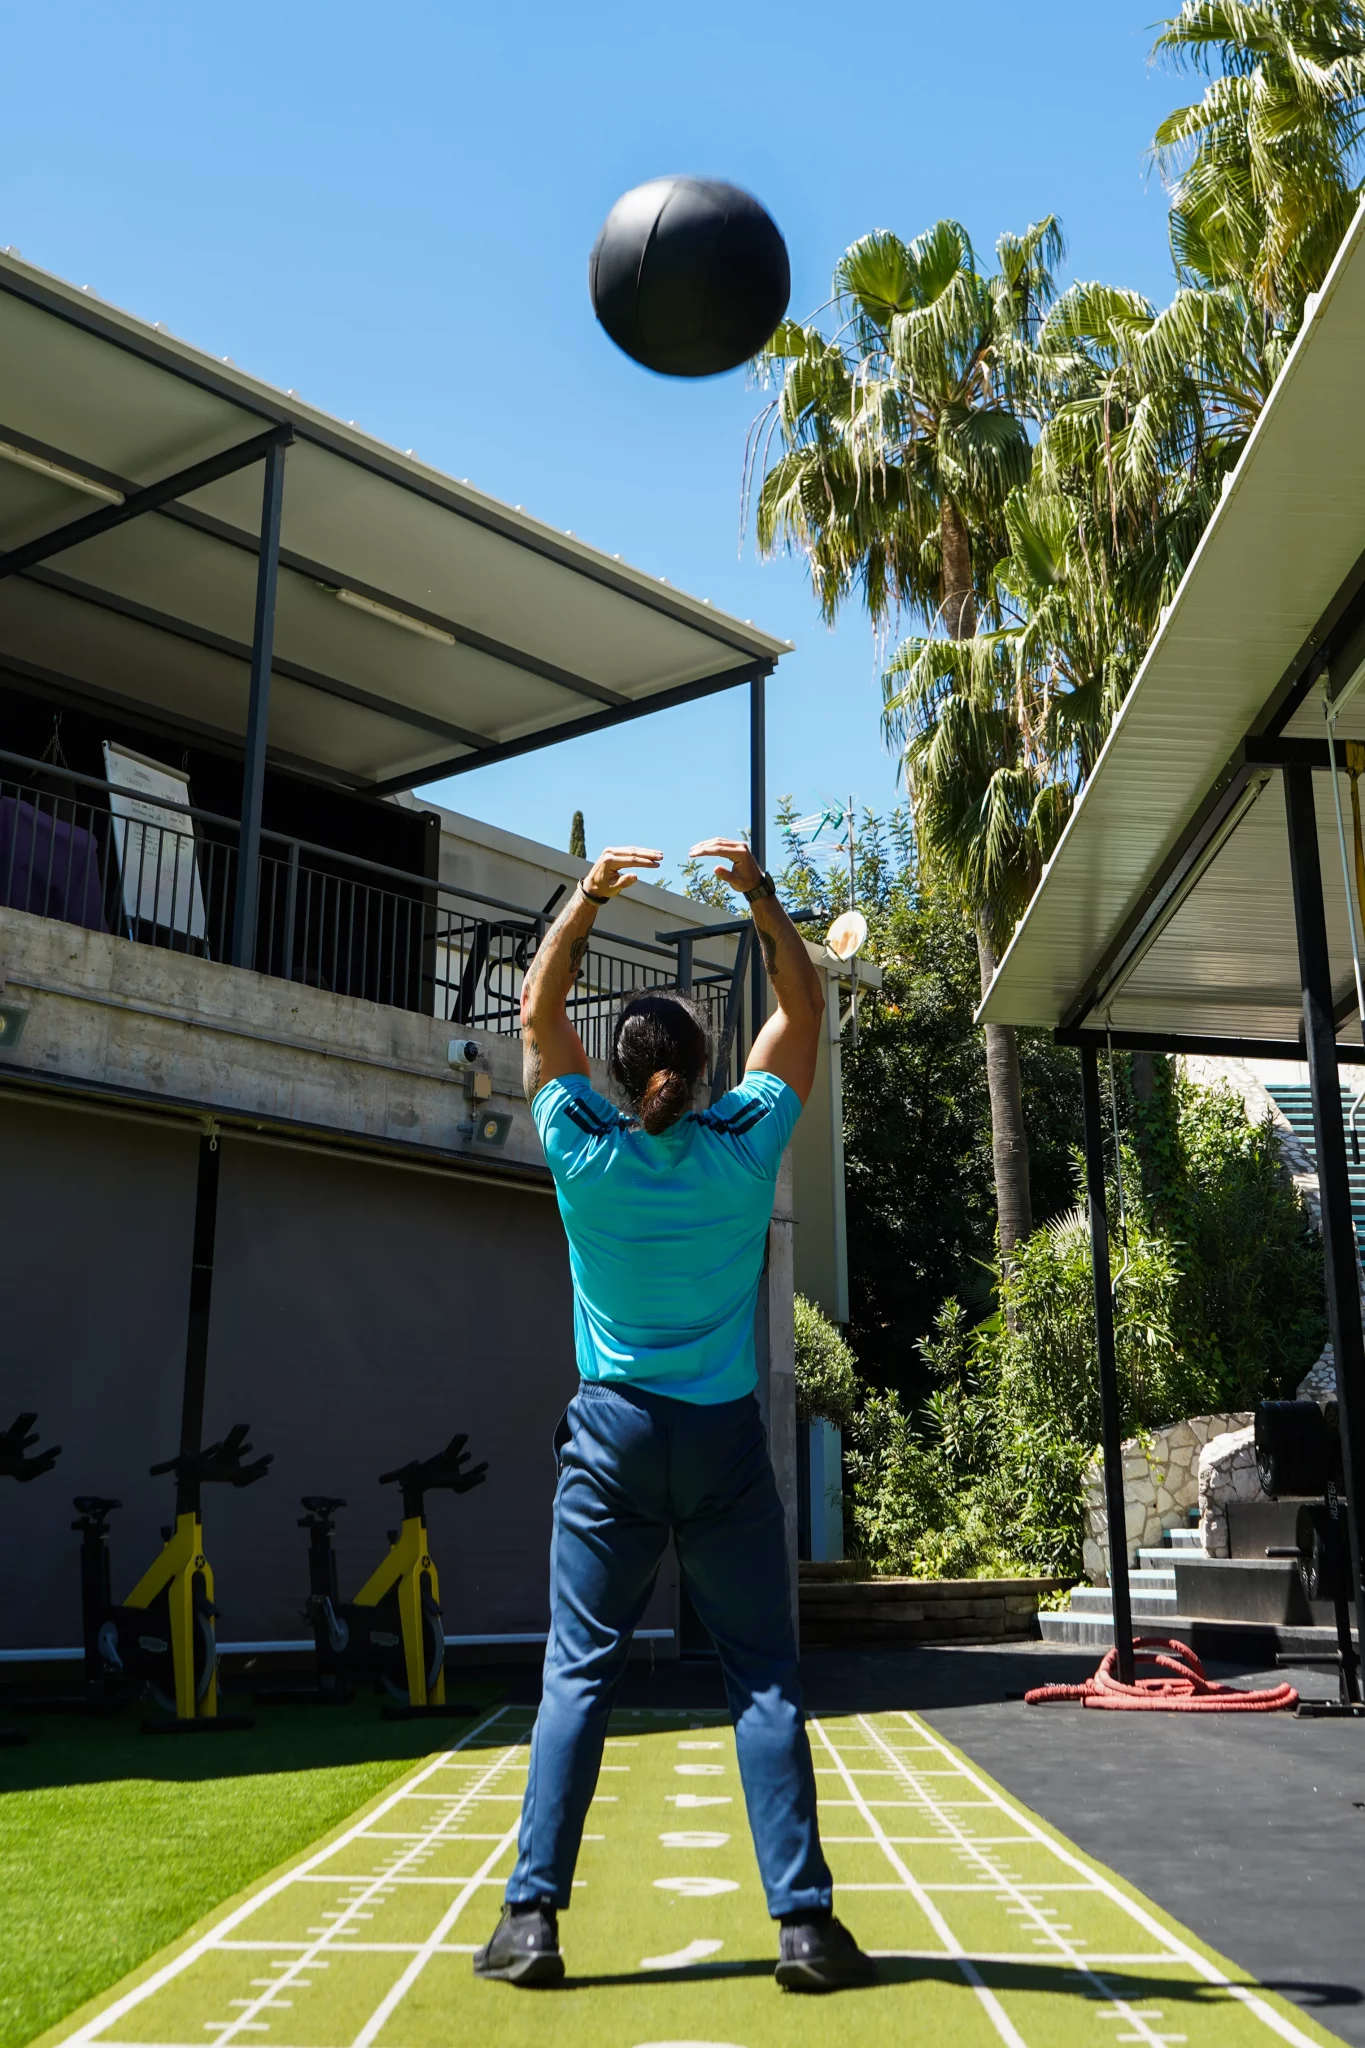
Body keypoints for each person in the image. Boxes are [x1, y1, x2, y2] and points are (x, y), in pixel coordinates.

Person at [473, 837, 875, 1995]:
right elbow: (802, 1006)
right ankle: (804, 1927)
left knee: (577, 1677)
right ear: (703, 1073)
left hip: (609, 1442)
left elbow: (537, 1000)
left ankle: (531, 1922)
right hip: (719, 1446)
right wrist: (757, 894)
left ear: (618, 1067)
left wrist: (592, 892)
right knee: (760, 1676)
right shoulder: (745, 1146)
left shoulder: (579, 1146)